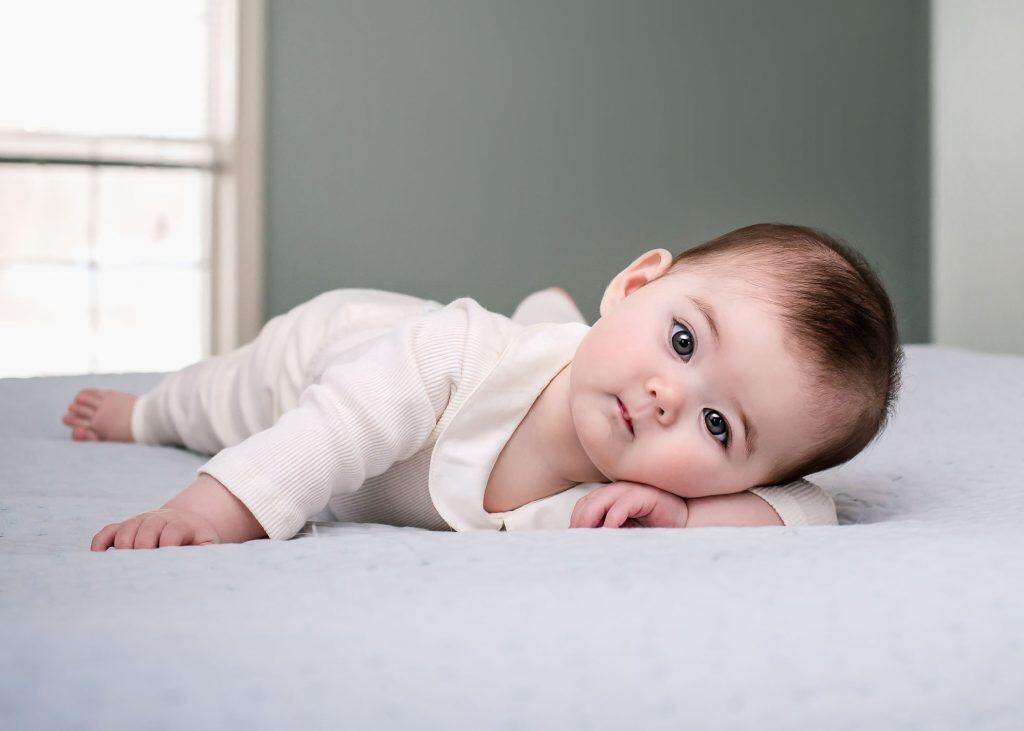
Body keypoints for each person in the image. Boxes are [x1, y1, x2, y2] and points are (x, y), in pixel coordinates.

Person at [65, 223, 902, 551]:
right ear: (634, 286)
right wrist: (210, 513)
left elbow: (809, 508)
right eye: (682, 340)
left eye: (720, 427)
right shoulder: (447, 355)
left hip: (538, 361)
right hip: (332, 355)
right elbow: (331, 430)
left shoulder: (625, 505)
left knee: (559, 340)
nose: (667, 398)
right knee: (214, 403)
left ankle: (549, 315)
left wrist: (687, 516)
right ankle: (143, 409)